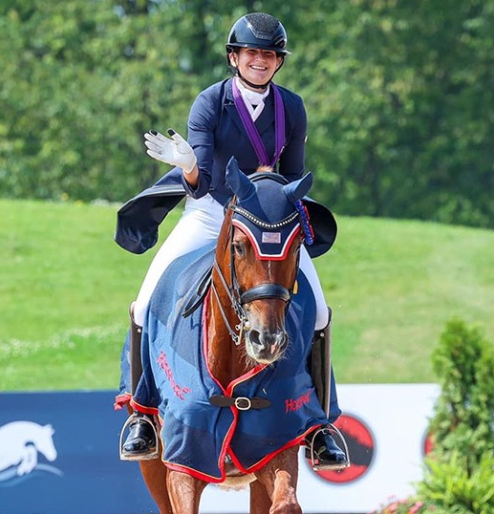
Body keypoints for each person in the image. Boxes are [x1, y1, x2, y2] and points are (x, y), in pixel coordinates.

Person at [116, 12, 348, 471]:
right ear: (234, 57)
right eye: (252, 53)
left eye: (268, 54)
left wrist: (279, 206)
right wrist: (187, 166)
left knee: (317, 309)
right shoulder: (210, 102)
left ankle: (321, 424)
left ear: (277, 61)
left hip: (266, 219)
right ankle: (141, 413)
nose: (260, 61)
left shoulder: (292, 107)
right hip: (211, 212)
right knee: (145, 302)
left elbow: (293, 172)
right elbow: (201, 186)